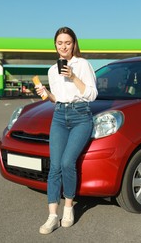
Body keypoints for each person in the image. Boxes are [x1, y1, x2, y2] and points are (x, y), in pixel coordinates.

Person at [36, 26, 98, 235]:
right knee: (54, 166)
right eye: (60, 42)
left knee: (66, 162)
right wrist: (46, 93)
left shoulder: (83, 64)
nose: (64, 46)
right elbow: (57, 99)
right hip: (60, 116)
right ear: (55, 45)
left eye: (68, 42)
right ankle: (53, 215)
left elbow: (92, 95)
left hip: (81, 116)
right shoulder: (52, 70)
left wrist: (72, 76)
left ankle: (69, 207)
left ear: (74, 44)